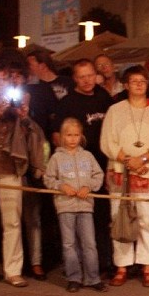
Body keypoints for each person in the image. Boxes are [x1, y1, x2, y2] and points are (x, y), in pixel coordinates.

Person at [100, 65, 149, 288]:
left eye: (143, 81)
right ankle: (122, 266)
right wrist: (126, 160)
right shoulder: (115, 110)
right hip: (121, 173)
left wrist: (142, 160)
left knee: (147, 219)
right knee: (119, 218)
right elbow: (107, 142)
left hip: (148, 172)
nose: (139, 84)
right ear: (126, 84)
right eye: (134, 81)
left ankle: (147, 265)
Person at [0, 58, 47, 288]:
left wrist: (23, 116)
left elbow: (28, 134)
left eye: (5, 79)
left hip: (11, 169)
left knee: (12, 223)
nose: (1, 83)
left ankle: (13, 270)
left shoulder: (16, 100)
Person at [53, 58, 115, 276]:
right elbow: (56, 135)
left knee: (103, 216)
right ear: (75, 79)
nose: (87, 80)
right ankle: (76, 267)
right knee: (78, 223)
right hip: (78, 168)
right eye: (82, 77)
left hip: (105, 163)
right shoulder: (68, 103)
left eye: (90, 75)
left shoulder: (103, 96)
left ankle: (104, 263)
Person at [43, 118, 107, 292]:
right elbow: (48, 178)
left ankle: (93, 278)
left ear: (81, 136)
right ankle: (74, 277)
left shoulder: (87, 156)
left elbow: (98, 175)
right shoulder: (56, 158)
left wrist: (89, 186)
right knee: (69, 244)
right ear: (62, 136)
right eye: (69, 135)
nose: (72, 139)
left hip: (85, 205)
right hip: (65, 206)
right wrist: (61, 186)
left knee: (89, 243)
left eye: (76, 135)